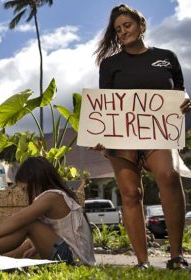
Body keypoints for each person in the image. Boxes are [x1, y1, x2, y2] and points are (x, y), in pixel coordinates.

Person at [94, 4, 189, 269]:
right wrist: (102, 136)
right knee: (130, 193)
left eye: (127, 25)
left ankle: (176, 255)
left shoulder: (167, 57)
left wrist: (185, 101)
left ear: (141, 25)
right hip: (123, 137)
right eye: (118, 29)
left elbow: (180, 92)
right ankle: (142, 261)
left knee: (168, 176)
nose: (123, 31)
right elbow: (106, 105)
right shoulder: (110, 64)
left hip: (159, 132)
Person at [0, 156, 95, 266]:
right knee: (28, 243)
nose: (24, 194)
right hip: (72, 256)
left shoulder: (52, 196)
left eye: (24, 189)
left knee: (29, 224)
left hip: (75, 261)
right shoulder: (60, 197)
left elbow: (20, 219)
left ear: (36, 181)